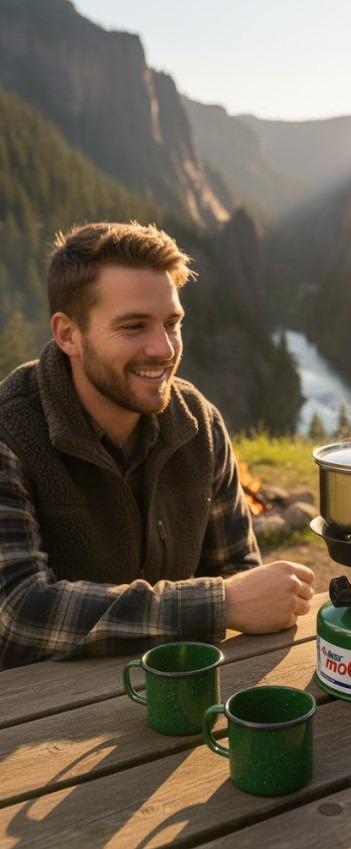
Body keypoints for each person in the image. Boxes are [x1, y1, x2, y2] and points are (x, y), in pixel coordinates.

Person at [0, 221, 314, 669]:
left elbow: (240, 575)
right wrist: (218, 604)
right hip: (40, 708)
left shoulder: (198, 423)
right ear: (68, 334)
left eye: (172, 323)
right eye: (134, 327)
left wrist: (240, 598)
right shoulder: (11, 432)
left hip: (176, 693)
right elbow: (17, 613)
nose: (164, 349)